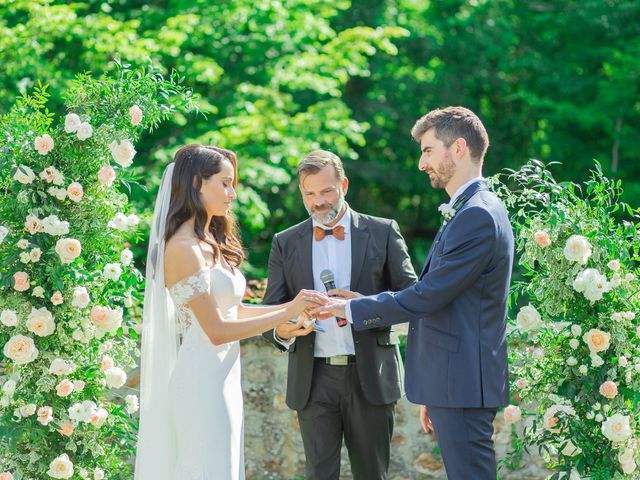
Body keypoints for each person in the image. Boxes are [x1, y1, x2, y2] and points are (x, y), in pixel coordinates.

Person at [318, 107, 514, 480]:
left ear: (458, 148)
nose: (421, 163)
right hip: (453, 382)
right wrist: (433, 388)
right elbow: (448, 299)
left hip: (463, 384)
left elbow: (428, 296)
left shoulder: (478, 214)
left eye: (427, 150)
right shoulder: (470, 209)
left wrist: (353, 308)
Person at [134, 145, 327, 480]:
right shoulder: (183, 248)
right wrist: (288, 310)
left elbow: (235, 310)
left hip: (222, 377)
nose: (233, 194)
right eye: (225, 183)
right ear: (197, 183)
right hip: (200, 381)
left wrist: (294, 309)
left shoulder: (209, 241)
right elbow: (217, 330)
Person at [262, 150, 417, 480]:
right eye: (309, 194)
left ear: (343, 184)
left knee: (372, 474)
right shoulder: (285, 242)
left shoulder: (383, 231)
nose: (318, 202)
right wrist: (287, 330)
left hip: (370, 376)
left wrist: (364, 304)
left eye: (326, 191)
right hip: (313, 379)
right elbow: (269, 314)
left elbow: (414, 300)